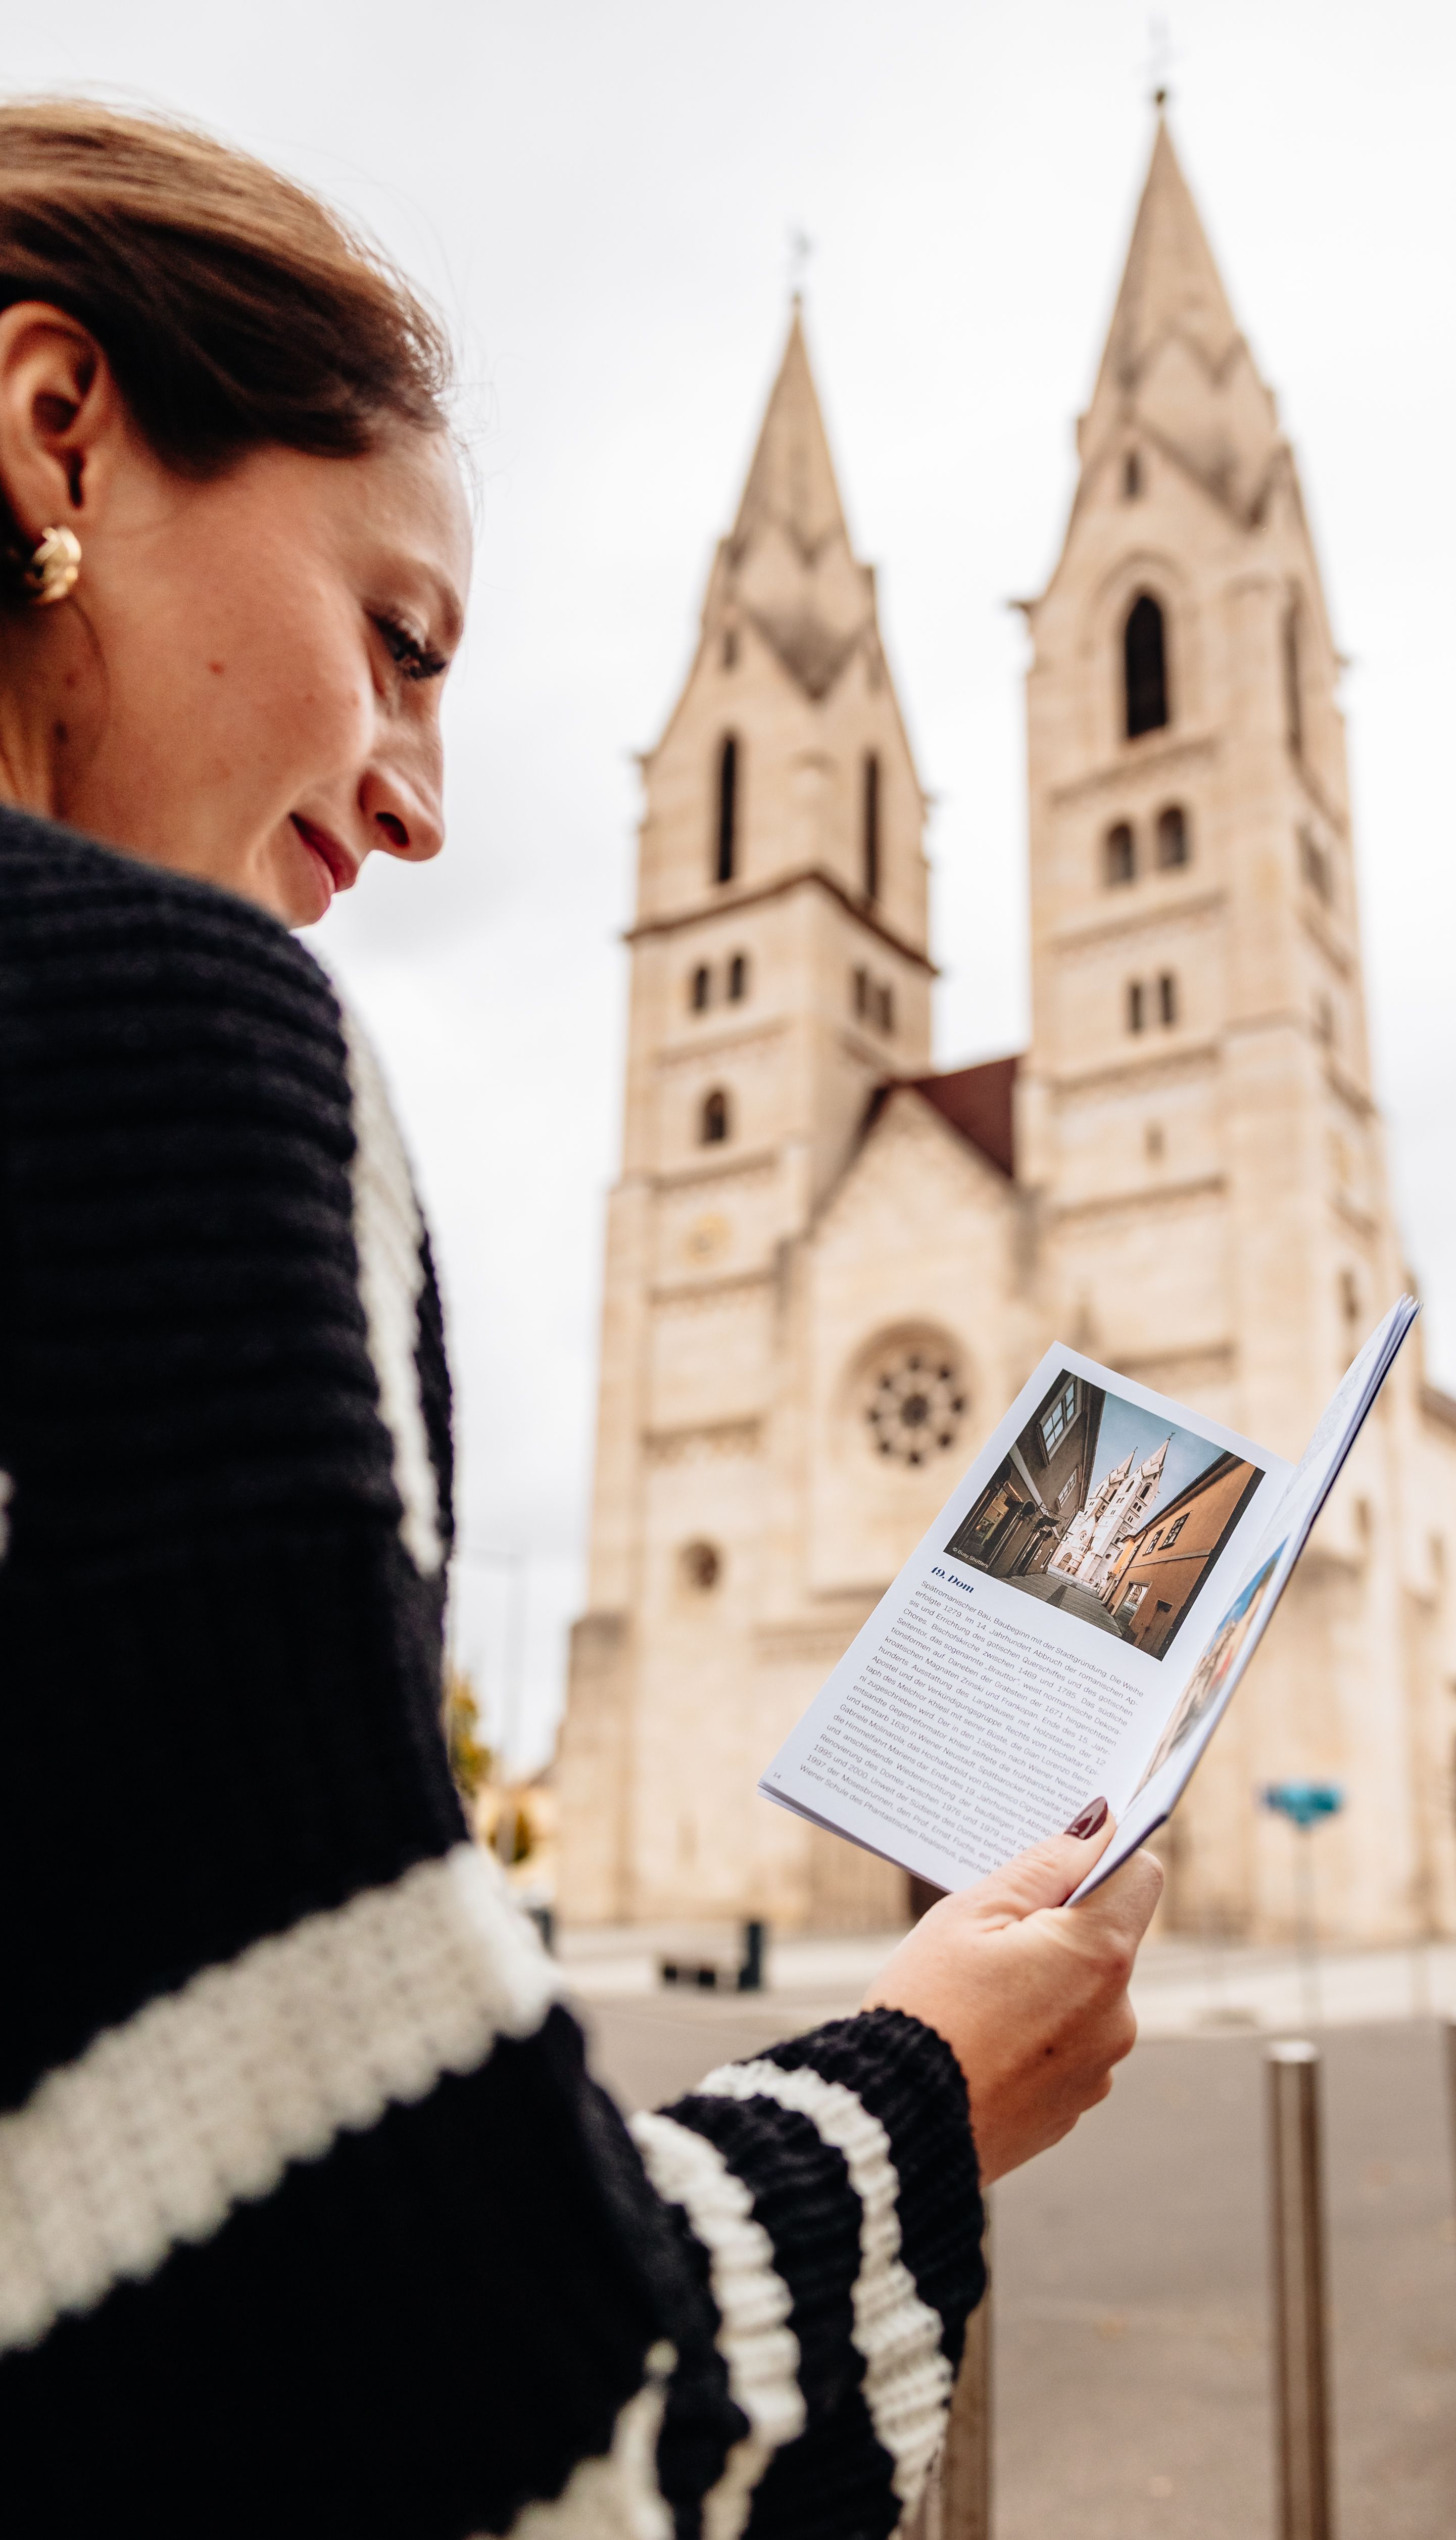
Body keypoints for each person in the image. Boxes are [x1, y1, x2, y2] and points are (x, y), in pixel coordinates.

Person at [0, 102, 1162, 2538]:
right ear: (52, 427)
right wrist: (937, 2070)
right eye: (400, 641)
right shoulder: (152, 1055)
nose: (422, 797)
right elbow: (488, 2435)